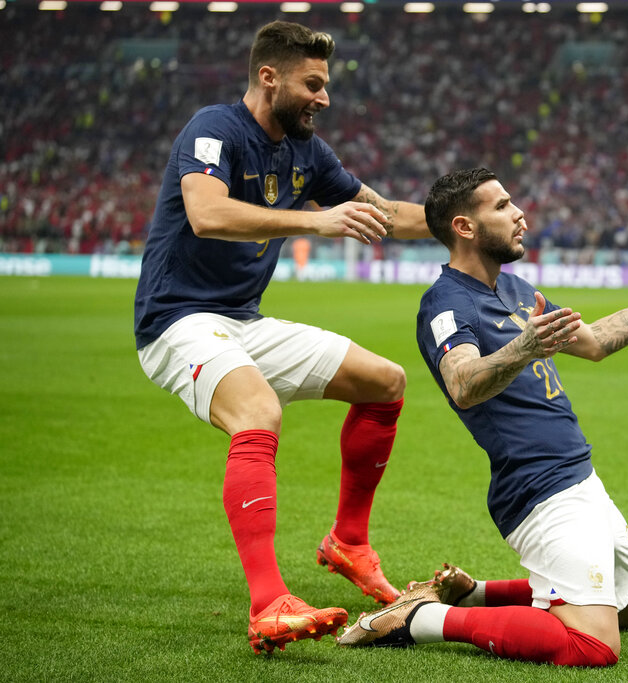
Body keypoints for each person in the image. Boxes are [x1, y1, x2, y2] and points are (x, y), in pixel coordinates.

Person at [337, 167, 628, 666]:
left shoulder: (517, 288)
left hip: (579, 473)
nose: (520, 213)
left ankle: (473, 593)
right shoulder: (446, 303)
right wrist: (524, 347)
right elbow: (461, 383)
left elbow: (595, 341)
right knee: (594, 645)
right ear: (464, 227)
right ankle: (423, 618)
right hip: (537, 487)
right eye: (502, 206)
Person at [133, 21, 431, 655]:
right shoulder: (214, 128)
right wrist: (315, 223)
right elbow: (206, 213)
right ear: (269, 77)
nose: (325, 97)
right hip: (176, 320)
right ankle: (268, 604)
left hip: (242, 320)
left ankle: (348, 543)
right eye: (313, 84)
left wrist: (466, 219)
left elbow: (385, 213)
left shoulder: (308, 152)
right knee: (259, 411)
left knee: (384, 382)